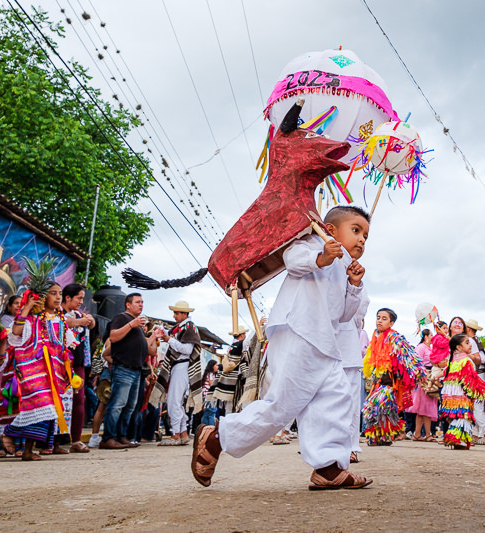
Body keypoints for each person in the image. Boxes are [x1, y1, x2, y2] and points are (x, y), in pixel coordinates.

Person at [191, 205, 372, 490]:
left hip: (325, 343)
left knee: (336, 399)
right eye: (356, 230)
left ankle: (328, 466)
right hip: (298, 332)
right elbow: (293, 260)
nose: (362, 239)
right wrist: (322, 257)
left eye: (365, 235)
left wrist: (354, 284)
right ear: (331, 230)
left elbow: (345, 315)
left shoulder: (345, 267)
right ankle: (216, 439)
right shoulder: (311, 242)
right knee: (283, 405)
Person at [1, 284, 73, 461]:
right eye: (53, 293)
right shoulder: (32, 319)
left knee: (46, 409)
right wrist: (26, 307)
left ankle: (27, 450)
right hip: (33, 371)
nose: (58, 297)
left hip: (52, 374)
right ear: (42, 297)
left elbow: (67, 346)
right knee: (43, 405)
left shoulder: (60, 320)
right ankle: (11, 434)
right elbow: (16, 332)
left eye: (60, 294)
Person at [362, 308, 424, 446]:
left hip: (391, 382)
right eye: (378, 317)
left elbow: (410, 357)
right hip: (378, 381)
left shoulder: (395, 337)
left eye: (384, 318)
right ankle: (380, 437)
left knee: (379, 407)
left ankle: (381, 436)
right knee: (378, 410)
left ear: (391, 323)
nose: (379, 320)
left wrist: (418, 373)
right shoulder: (375, 338)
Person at [101, 293, 148, 450]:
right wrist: (131, 325)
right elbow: (113, 337)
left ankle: (121, 436)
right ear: (128, 304)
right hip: (123, 368)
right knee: (117, 405)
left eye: (142, 302)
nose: (141, 305)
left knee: (129, 407)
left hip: (136, 370)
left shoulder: (137, 324)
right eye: (137, 302)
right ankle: (108, 437)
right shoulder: (122, 318)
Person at [154, 300, 202, 446]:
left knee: (174, 401)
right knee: (177, 401)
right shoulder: (182, 327)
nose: (174, 316)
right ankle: (182, 433)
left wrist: (169, 340)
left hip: (182, 365)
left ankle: (176, 434)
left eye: (176, 313)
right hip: (179, 366)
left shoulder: (188, 327)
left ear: (184, 314)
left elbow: (187, 350)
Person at [337, 273, 369, 462]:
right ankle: (326, 445)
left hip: (346, 347)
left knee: (349, 403)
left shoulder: (353, 272)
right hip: (333, 344)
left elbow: (359, 310)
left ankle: (349, 446)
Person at [440, 334, 485, 449]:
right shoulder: (467, 360)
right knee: (464, 415)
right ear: (458, 347)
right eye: (467, 343)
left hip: (452, 395)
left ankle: (456, 438)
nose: (470, 345)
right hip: (462, 394)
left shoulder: (452, 361)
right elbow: (471, 378)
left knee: (458, 416)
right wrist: (479, 390)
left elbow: (446, 375)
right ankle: (458, 439)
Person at [62, 283, 96, 453]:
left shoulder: (78, 314)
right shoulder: (59, 314)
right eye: (79, 298)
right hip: (60, 362)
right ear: (67, 298)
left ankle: (76, 439)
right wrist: (81, 321)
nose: (81, 302)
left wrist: (88, 321)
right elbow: (63, 322)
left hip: (78, 362)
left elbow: (91, 325)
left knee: (78, 400)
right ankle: (51, 442)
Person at [0, 295, 19, 435]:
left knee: (14, 398)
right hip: (4, 361)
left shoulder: (23, 321)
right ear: (8, 306)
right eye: (16, 303)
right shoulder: (5, 321)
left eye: (21, 303)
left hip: (16, 364)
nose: (19, 306)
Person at [407, 328, 438, 441]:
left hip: (429, 376)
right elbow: (416, 362)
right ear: (426, 336)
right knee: (425, 406)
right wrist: (421, 376)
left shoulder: (429, 348)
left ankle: (418, 434)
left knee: (423, 408)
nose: (432, 337)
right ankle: (427, 434)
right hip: (423, 378)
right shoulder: (421, 347)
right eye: (431, 335)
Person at [465, 319, 485, 445]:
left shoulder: (471, 341)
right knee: (475, 407)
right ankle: (475, 434)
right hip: (480, 376)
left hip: (478, 376)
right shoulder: (478, 341)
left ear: (468, 329)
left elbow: (480, 359)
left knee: (477, 407)